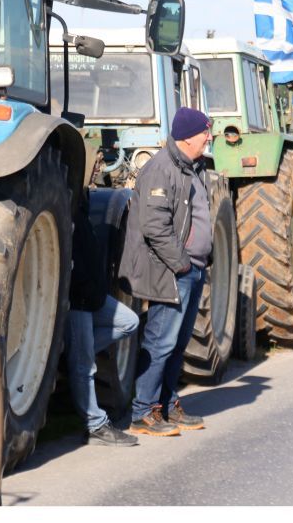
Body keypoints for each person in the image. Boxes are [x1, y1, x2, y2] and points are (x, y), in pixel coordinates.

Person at [119, 106, 213, 436]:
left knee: (178, 343)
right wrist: (182, 263)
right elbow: (155, 226)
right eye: (205, 132)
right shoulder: (161, 169)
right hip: (172, 270)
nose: (209, 137)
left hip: (193, 270)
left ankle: (168, 405)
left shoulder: (193, 168)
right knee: (160, 341)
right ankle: (142, 412)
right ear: (188, 136)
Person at [66, 198, 140, 446]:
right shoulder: (66, 211)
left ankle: (73, 356)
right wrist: (85, 290)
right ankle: (95, 425)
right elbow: (71, 265)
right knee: (85, 367)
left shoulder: (81, 208)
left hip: (95, 299)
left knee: (129, 322)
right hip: (79, 302)